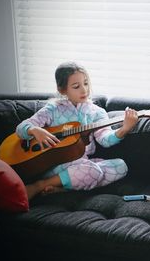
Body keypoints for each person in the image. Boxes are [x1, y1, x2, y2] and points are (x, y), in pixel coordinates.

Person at [16, 61, 139, 200]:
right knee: (93, 172)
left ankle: (61, 189)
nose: (84, 90)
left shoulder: (97, 112)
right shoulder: (53, 109)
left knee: (121, 166)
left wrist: (124, 129)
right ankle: (39, 185)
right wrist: (34, 130)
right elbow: (21, 128)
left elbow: (105, 139)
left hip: (83, 164)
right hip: (58, 165)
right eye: (76, 86)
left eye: (86, 84)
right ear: (63, 90)